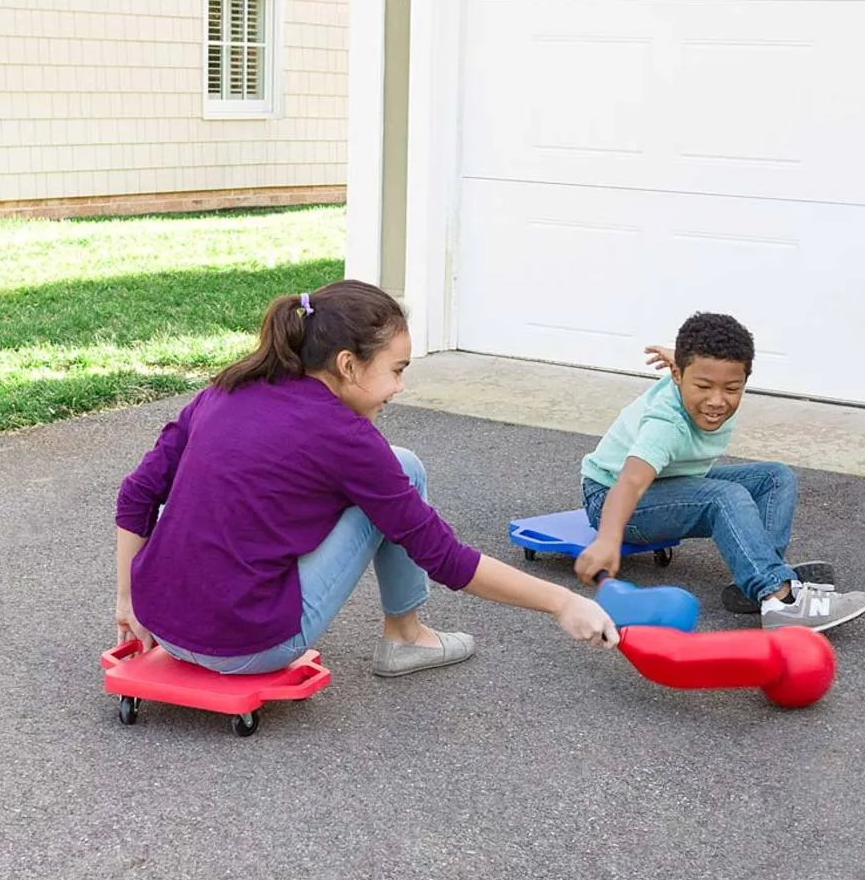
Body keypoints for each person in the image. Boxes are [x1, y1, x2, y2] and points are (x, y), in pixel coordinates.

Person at [115, 280, 617, 676]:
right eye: (396, 370)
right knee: (404, 469)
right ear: (348, 365)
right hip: (250, 647)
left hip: (156, 621)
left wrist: (128, 602)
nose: (400, 387)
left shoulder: (229, 388)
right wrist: (562, 602)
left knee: (381, 473)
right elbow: (444, 558)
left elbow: (137, 492)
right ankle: (406, 636)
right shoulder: (346, 437)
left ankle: (405, 633)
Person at [574, 311, 865, 633]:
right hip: (615, 501)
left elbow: (706, 369)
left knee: (775, 478)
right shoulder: (666, 423)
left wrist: (680, 358)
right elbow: (631, 480)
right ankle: (779, 599)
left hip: (667, 483)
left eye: (732, 388)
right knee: (724, 497)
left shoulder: (697, 373)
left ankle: (760, 582)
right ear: (678, 375)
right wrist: (608, 538)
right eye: (703, 386)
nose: (717, 401)